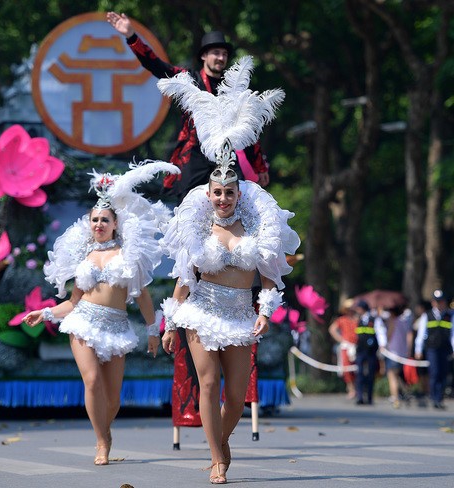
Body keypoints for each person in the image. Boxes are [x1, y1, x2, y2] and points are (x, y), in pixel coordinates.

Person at [158, 59, 298, 484]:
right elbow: (185, 277)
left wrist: (264, 311)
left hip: (240, 312)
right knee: (208, 381)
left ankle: (221, 438)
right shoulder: (197, 223)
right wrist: (168, 323)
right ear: (210, 192)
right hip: (201, 310)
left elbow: (271, 274)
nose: (222, 199)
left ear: (239, 192)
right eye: (217, 192)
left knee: (236, 395)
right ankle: (219, 458)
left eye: (229, 192)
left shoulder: (257, 223)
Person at [23, 161, 178, 466]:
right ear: (89, 223)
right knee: (91, 381)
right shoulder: (85, 255)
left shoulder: (129, 254)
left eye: (104, 219)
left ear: (115, 223)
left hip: (117, 327)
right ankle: (101, 441)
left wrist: (152, 331)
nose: (99, 224)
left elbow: (142, 296)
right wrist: (46, 312)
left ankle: (106, 430)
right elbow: (73, 301)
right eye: (94, 220)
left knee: (113, 398)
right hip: (83, 322)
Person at [106, 12, 271, 201]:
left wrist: (259, 166)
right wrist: (131, 37)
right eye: (216, 53)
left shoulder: (234, 89)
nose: (221, 58)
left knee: (238, 203)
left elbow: (247, 131)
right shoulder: (189, 79)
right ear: (204, 56)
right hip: (194, 158)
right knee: (190, 209)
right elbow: (156, 65)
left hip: (225, 158)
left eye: (224, 54)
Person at [414, 289, 454, 409]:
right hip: (432, 348)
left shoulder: (450, 315)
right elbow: (421, 334)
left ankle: (440, 398)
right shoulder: (427, 315)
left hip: (445, 348)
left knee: (443, 373)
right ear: (433, 303)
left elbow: (453, 334)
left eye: (440, 301)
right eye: (436, 301)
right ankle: (435, 398)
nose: (438, 304)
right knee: (435, 372)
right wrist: (418, 350)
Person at [353, 300, 387, 406]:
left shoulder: (374, 319)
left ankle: (369, 397)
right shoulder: (359, 320)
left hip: (371, 351)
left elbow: (380, 332)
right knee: (359, 373)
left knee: (371, 374)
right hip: (360, 350)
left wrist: (382, 345)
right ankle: (360, 396)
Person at [380, 305, 414, 408]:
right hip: (403, 353)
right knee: (400, 375)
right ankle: (405, 392)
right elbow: (409, 335)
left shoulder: (392, 322)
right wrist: (408, 350)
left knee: (392, 376)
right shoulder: (405, 322)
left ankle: (395, 398)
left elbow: (388, 337)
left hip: (392, 353)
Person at [328, 298, 359, 399]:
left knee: (356, 369)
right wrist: (341, 339)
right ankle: (351, 389)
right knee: (347, 369)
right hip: (346, 346)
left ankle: (356, 388)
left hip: (356, 346)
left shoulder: (357, 319)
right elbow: (332, 329)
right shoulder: (342, 320)